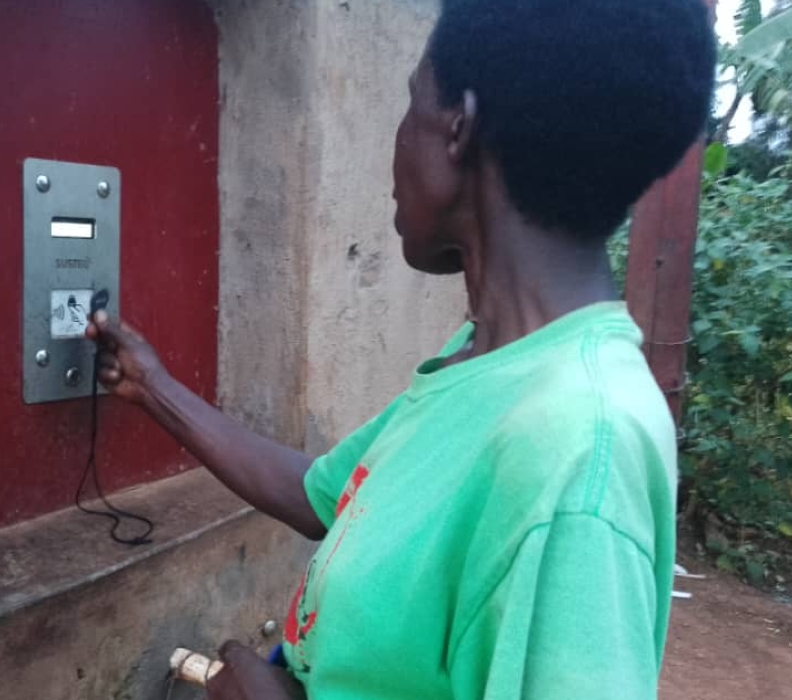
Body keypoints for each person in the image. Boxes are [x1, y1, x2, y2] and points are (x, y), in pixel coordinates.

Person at [86, 0, 716, 697]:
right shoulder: (481, 356)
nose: (394, 148)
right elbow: (326, 496)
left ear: (459, 129)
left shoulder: (581, 450)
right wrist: (153, 387)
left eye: (408, 106)